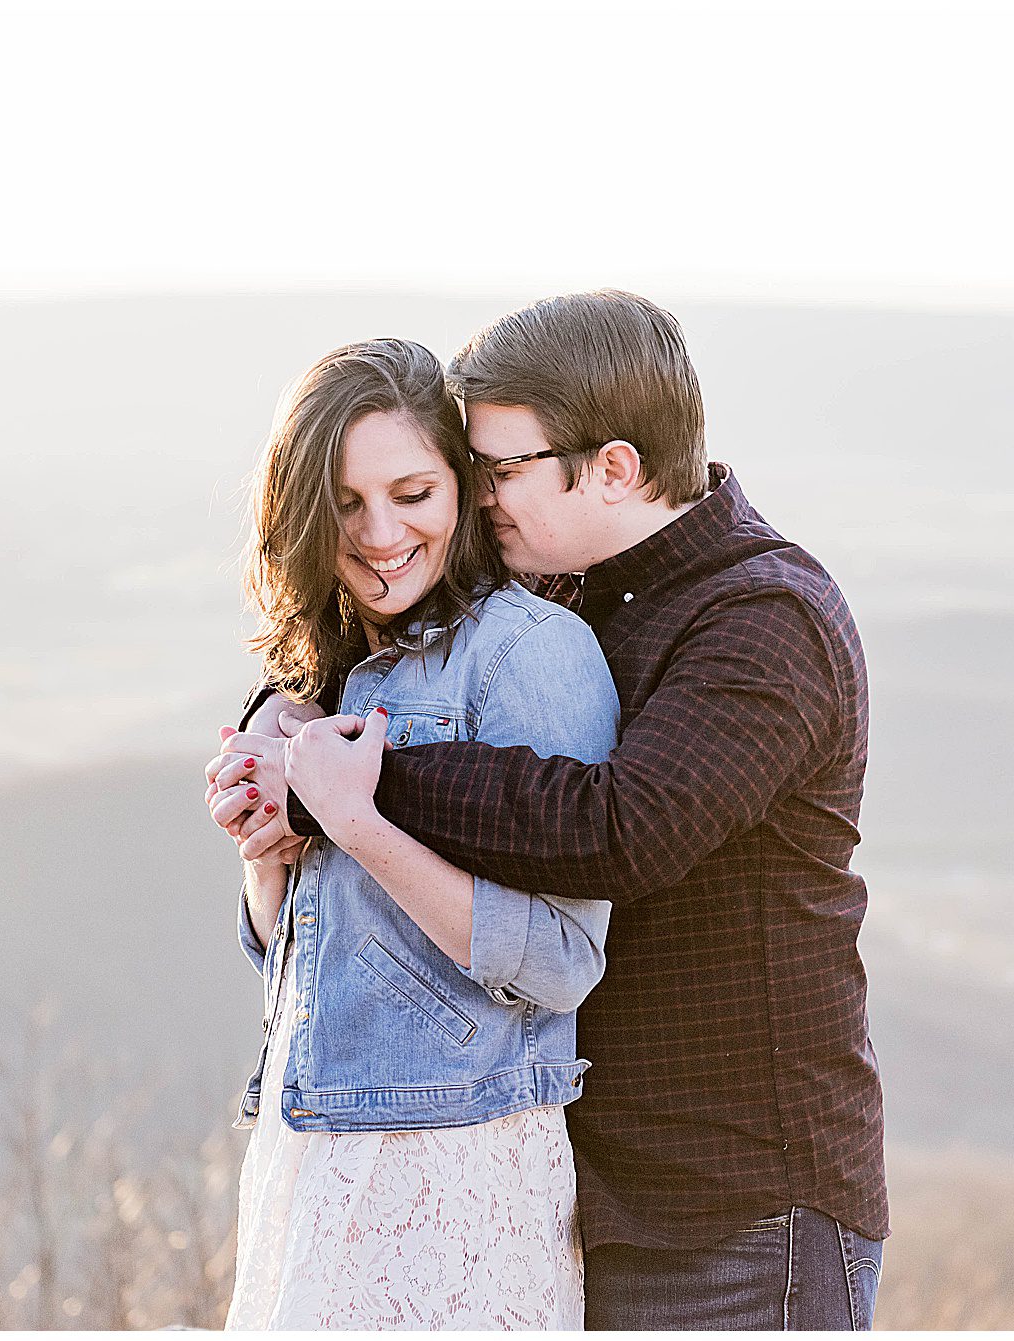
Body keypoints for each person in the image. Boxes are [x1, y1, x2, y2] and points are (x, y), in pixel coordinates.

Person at [212, 291, 888, 1330]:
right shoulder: (585, 589)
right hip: (596, 1186)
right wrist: (285, 724)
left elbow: (616, 830)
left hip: (746, 1205)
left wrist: (358, 781)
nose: (479, 499)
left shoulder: (760, 619)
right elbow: (378, 656)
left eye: (499, 470)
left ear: (611, 468)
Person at [208, 338, 620, 1329]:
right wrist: (269, 849)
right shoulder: (333, 667)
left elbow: (564, 962)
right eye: (345, 504)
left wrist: (355, 821)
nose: (380, 533)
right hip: (309, 1151)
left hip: (453, 1171)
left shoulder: (531, 653)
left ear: (462, 490)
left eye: (411, 493)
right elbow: (303, 959)